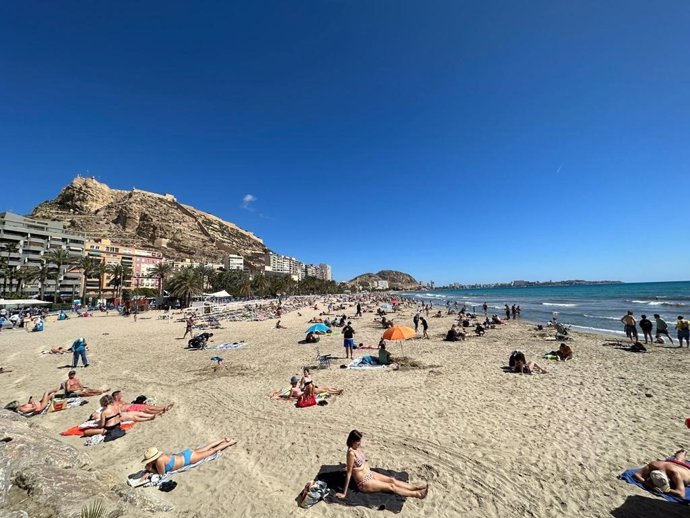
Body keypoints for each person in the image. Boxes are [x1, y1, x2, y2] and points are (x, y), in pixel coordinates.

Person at [335, 430, 428, 500]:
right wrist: (344, 493)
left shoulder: (357, 448)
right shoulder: (351, 453)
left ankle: (414, 487)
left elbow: (357, 463)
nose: (360, 443)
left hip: (370, 474)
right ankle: (418, 494)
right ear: (352, 441)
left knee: (392, 480)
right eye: (358, 441)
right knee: (391, 486)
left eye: (360, 441)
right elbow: (349, 473)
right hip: (364, 482)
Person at [142, 438, 237, 476]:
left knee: (212, 451)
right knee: (207, 447)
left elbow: (161, 474)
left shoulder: (159, 461)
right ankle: (224, 439)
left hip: (189, 459)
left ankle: (230, 442)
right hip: (186, 453)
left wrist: (150, 469)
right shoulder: (162, 456)